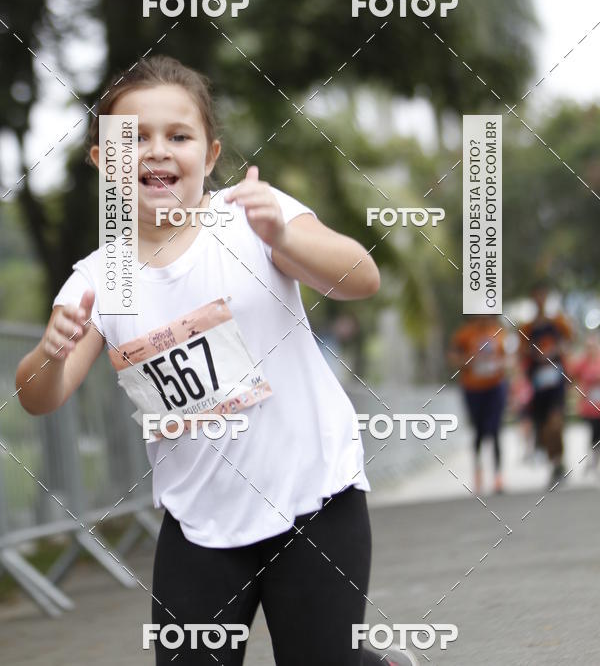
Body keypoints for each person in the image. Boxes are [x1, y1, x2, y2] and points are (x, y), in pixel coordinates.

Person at [15, 55, 415, 666]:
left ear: (210, 155)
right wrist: (47, 353)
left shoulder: (249, 217)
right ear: (102, 159)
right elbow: (41, 396)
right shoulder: (102, 278)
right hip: (200, 521)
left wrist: (284, 238)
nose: (157, 151)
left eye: (178, 136)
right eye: (135, 137)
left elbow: (360, 276)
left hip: (313, 497)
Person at [518, 283, 573, 488]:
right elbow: (521, 353)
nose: (540, 299)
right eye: (537, 296)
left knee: (556, 423)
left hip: (556, 380)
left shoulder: (558, 322)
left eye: (543, 295)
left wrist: (554, 351)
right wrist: (535, 356)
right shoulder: (527, 328)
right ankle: (555, 463)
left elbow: (568, 342)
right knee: (545, 429)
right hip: (538, 384)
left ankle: (559, 460)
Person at [448, 314, 508, 495]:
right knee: (479, 431)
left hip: (495, 387)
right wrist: (466, 362)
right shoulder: (465, 334)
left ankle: (498, 476)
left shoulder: (499, 332)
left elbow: (508, 358)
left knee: (496, 430)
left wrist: (501, 365)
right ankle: (478, 470)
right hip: (473, 388)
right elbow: (453, 357)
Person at [569, 334, 600, 474]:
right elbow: (572, 374)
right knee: (593, 432)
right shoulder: (583, 363)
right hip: (589, 406)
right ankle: (593, 459)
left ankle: (594, 459)